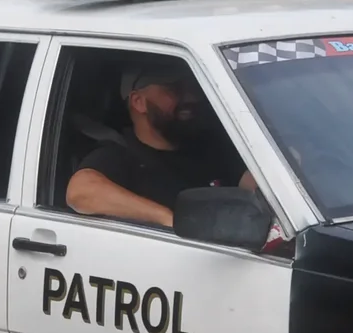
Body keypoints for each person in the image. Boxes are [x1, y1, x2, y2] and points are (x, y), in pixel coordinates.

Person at [66, 62, 247, 230]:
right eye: (174, 90)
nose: (191, 97)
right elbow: (80, 192)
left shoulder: (210, 147)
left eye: (191, 88)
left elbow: (255, 183)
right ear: (138, 102)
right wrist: (167, 218)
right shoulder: (120, 155)